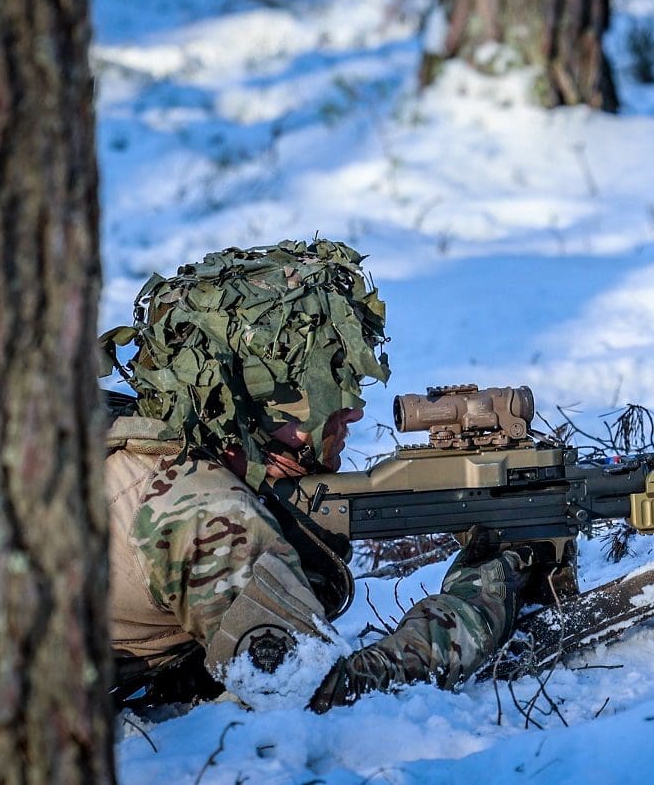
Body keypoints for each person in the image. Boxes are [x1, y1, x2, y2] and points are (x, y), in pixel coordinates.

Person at [100, 239, 550, 710]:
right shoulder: (208, 515)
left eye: (346, 381)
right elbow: (311, 696)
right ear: (241, 406)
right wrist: (472, 609)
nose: (352, 412)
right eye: (317, 392)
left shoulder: (141, 436)